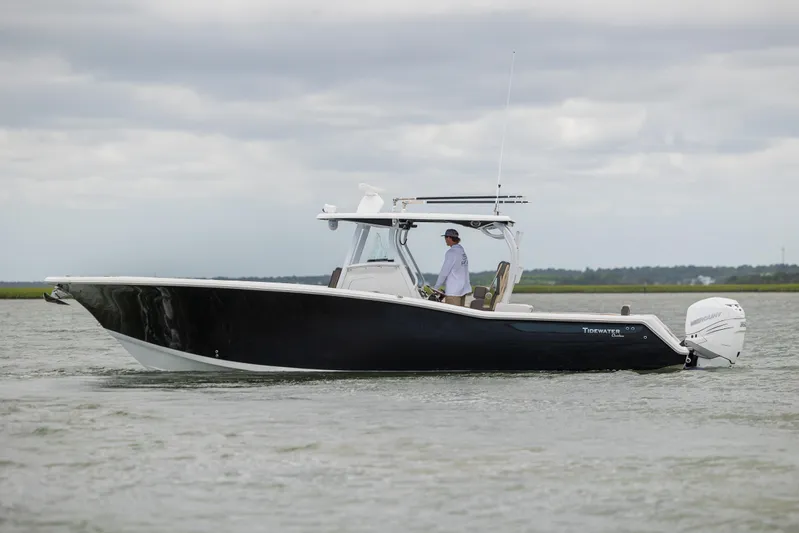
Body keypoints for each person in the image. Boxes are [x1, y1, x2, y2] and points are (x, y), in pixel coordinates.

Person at [433, 228, 471, 306]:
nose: (445, 240)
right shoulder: (462, 251)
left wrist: (436, 287)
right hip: (462, 290)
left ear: (449, 238)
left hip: (453, 292)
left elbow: (444, 272)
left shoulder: (451, 253)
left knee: (452, 316)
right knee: (460, 315)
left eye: (445, 238)